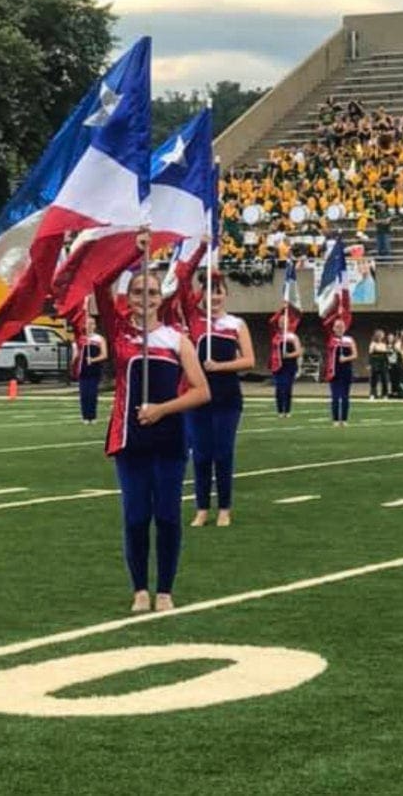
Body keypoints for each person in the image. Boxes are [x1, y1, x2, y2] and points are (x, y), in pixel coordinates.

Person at [95, 254, 210, 613]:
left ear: (161, 299)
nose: (146, 298)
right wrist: (133, 249)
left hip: (170, 440)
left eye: (153, 292)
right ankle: (140, 590)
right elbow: (100, 283)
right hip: (129, 440)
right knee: (135, 516)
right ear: (128, 298)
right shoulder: (119, 332)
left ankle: (165, 591)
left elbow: (201, 390)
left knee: (167, 516)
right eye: (139, 291)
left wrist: (162, 409)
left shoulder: (177, 339)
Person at [185, 273, 255, 528]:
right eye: (209, 291)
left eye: (218, 291)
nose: (214, 297)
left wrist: (220, 366)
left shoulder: (236, 324)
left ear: (226, 294)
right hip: (197, 398)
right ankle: (202, 508)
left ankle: (224, 508)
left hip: (227, 397)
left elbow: (249, 360)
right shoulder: (194, 322)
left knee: (223, 453)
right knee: (201, 455)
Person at [73, 316, 108, 423]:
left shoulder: (99, 339)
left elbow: (104, 355)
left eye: (92, 323)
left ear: (95, 325)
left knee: (92, 393)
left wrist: (93, 359)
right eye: (87, 323)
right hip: (83, 370)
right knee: (84, 394)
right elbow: (76, 355)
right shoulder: (80, 339)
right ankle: (85, 416)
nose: (89, 326)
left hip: (94, 369)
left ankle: (92, 416)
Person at [272, 302, 302, 418]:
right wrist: (282, 308)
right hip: (277, 365)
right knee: (279, 388)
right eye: (280, 322)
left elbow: (299, 351)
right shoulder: (276, 336)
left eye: (283, 322)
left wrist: (289, 355)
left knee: (287, 388)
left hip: (289, 365)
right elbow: (272, 320)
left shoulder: (292, 337)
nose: (281, 323)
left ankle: (287, 410)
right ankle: (280, 410)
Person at [326, 317, 357, 425]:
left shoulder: (349, 340)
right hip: (334, 371)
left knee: (345, 396)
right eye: (337, 327)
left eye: (342, 327)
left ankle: (344, 419)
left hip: (346, 371)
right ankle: (335, 419)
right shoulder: (332, 340)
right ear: (333, 328)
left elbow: (355, 354)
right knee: (335, 396)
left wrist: (346, 359)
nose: (340, 329)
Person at [368, 329, 389, 400]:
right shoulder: (373, 343)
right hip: (375, 362)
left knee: (384, 379)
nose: (382, 336)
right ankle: (373, 394)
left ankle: (385, 394)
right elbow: (370, 354)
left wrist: (387, 363)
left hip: (383, 363)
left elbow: (386, 354)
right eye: (381, 335)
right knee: (374, 379)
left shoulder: (384, 344)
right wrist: (370, 364)